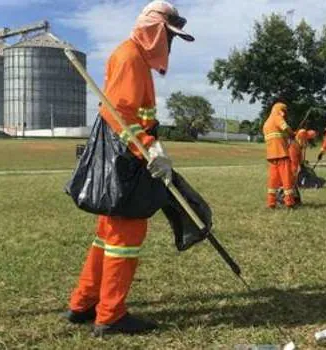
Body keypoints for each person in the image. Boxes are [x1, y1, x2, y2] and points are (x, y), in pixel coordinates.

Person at [62, 1, 194, 336]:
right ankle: (110, 315)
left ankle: (83, 304)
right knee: (125, 238)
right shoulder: (130, 57)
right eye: (168, 35)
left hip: (125, 158)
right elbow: (119, 114)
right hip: (126, 163)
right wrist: (150, 150)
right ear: (154, 30)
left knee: (106, 238)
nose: (170, 44)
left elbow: (130, 115)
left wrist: (152, 143)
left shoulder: (134, 58)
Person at [263, 102, 296, 208]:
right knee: (286, 179)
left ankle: (271, 202)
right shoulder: (277, 117)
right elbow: (285, 128)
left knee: (273, 180)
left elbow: (277, 136)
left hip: (271, 156)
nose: (285, 115)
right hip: (281, 154)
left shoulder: (266, 123)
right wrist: (292, 134)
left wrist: (286, 138)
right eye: (284, 112)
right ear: (281, 110)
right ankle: (289, 202)